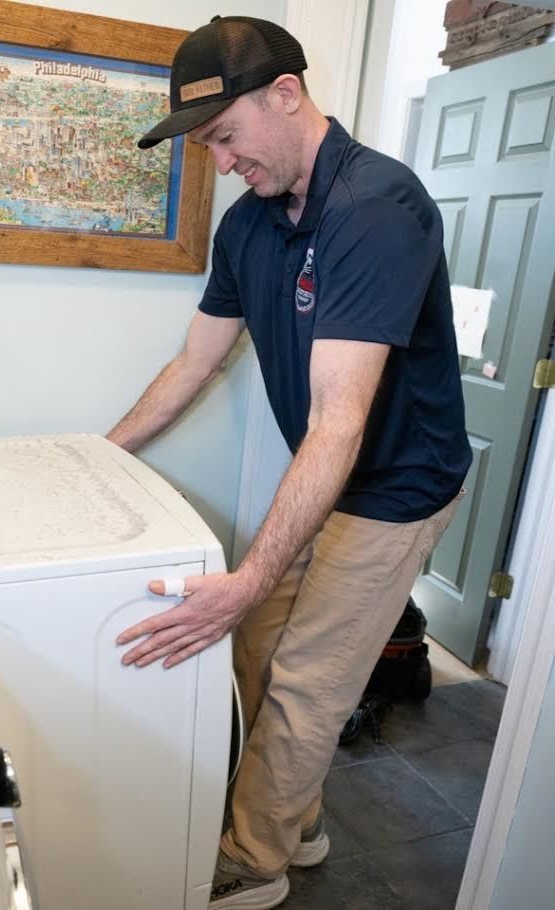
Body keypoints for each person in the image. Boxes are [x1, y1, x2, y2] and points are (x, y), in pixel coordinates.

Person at [108, 15, 472, 910]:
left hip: (395, 484)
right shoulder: (249, 227)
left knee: (310, 678)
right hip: (328, 470)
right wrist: (92, 457)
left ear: (286, 95)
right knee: (256, 648)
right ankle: (296, 821)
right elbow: (192, 364)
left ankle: (254, 862)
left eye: (225, 138)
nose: (222, 163)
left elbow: (340, 423)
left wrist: (245, 575)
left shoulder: (375, 209)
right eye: (208, 145)